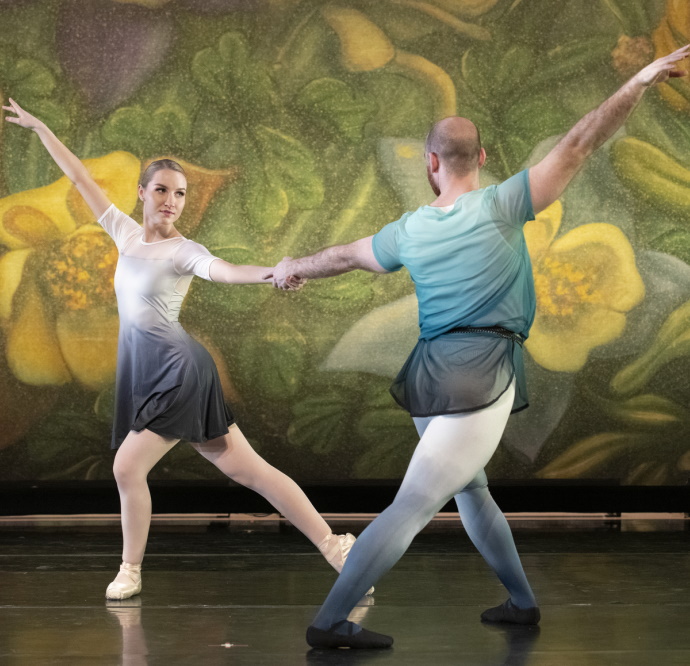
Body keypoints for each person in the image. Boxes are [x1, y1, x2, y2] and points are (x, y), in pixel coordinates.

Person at [267, 45, 690, 648]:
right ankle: (330, 622)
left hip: (430, 376)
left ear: (431, 162)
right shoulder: (502, 204)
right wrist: (638, 82)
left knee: (471, 489)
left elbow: (344, 257)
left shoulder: (409, 229)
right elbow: (578, 143)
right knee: (413, 506)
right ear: (484, 159)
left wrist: (292, 266)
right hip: (479, 376)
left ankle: (522, 603)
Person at [2, 99, 370, 601]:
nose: (171, 201)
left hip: (180, 371)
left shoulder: (185, 251)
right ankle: (337, 547)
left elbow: (226, 270)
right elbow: (80, 177)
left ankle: (130, 570)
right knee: (249, 470)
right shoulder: (123, 233)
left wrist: (277, 272)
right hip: (153, 371)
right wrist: (42, 126)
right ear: (142, 193)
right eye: (161, 190)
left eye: (179, 193)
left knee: (126, 467)